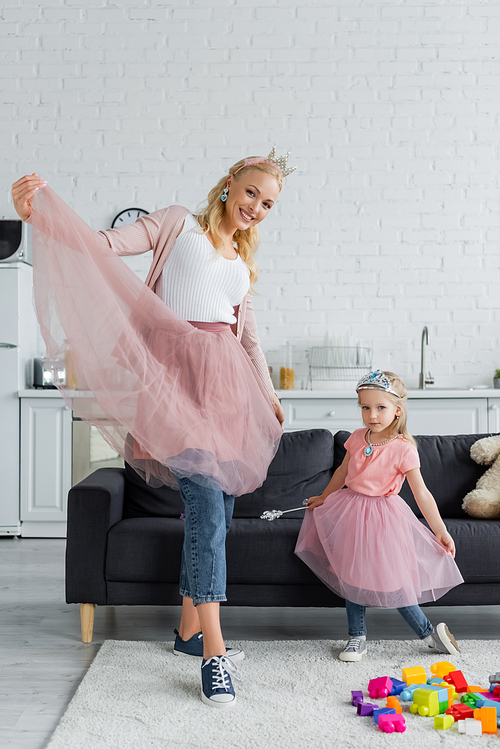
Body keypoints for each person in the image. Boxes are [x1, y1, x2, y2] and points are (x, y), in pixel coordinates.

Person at [12, 148, 296, 707]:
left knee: (208, 511)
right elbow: (104, 246)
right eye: (251, 193)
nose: (256, 207)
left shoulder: (241, 261)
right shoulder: (177, 225)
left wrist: (270, 397)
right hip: (172, 389)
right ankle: (215, 654)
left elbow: (248, 341)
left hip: (224, 393)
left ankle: (190, 635)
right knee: (209, 511)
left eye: (267, 203)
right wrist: (39, 217)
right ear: (229, 184)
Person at [295, 369, 464, 662]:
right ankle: (356, 637)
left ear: (397, 410)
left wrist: (440, 530)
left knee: (394, 581)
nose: (372, 414)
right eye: (365, 407)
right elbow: (343, 471)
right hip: (351, 510)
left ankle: (427, 633)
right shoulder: (358, 437)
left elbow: (422, 494)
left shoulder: (403, 449)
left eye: (380, 407)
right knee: (352, 575)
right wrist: (324, 497)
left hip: (384, 518)